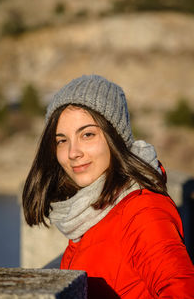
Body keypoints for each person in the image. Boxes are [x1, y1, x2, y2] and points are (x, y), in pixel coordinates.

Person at [22, 75, 194, 298]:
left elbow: (183, 290)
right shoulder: (90, 211)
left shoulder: (142, 210)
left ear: (115, 138)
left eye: (87, 134)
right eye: (62, 140)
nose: (73, 152)